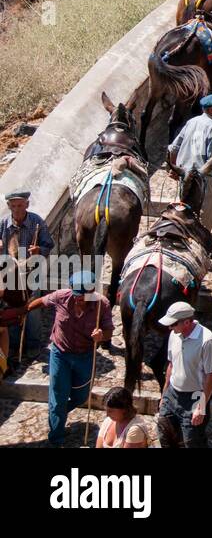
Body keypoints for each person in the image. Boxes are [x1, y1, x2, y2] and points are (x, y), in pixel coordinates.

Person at [27, 269, 112, 446]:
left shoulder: (102, 304)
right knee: (58, 396)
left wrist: (101, 336)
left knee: (81, 396)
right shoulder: (61, 296)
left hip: (85, 356)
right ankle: (56, 436)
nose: (78, 299)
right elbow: (41, 301)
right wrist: (25, 310)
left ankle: (59, 412)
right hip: (60, 354)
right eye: (76, 295)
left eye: (83, 296)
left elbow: (109, 331)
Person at [167, 95, 212, 231]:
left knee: (183, 213)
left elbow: (173, 148)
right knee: (204, 220)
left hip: (185, 178)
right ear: (211, 109)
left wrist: (174, 169)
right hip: (203, 181)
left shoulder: (191, 122)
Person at [157, 301, 212, 448]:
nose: (170, 327)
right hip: (172, 394)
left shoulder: (207, 340)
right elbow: (171, 365)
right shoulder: (174, 335)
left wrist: (201, 406)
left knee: (192, 442)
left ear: (186, 322)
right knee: (164, 435)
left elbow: (211, 375)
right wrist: (164, 394)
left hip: (194, 397)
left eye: (173, 324)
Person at [1, 190, 53, 359]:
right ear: (9, 206)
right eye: (13, 206)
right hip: (11, 274)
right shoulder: (3, 223)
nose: (17, 209)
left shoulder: (36, 222)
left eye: (20, 205)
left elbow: (48, 244)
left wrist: (39, 250)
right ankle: (14, 345)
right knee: (12, 306)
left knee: (32, 308)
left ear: (27, 205)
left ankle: (33, 345)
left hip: (32, 271)